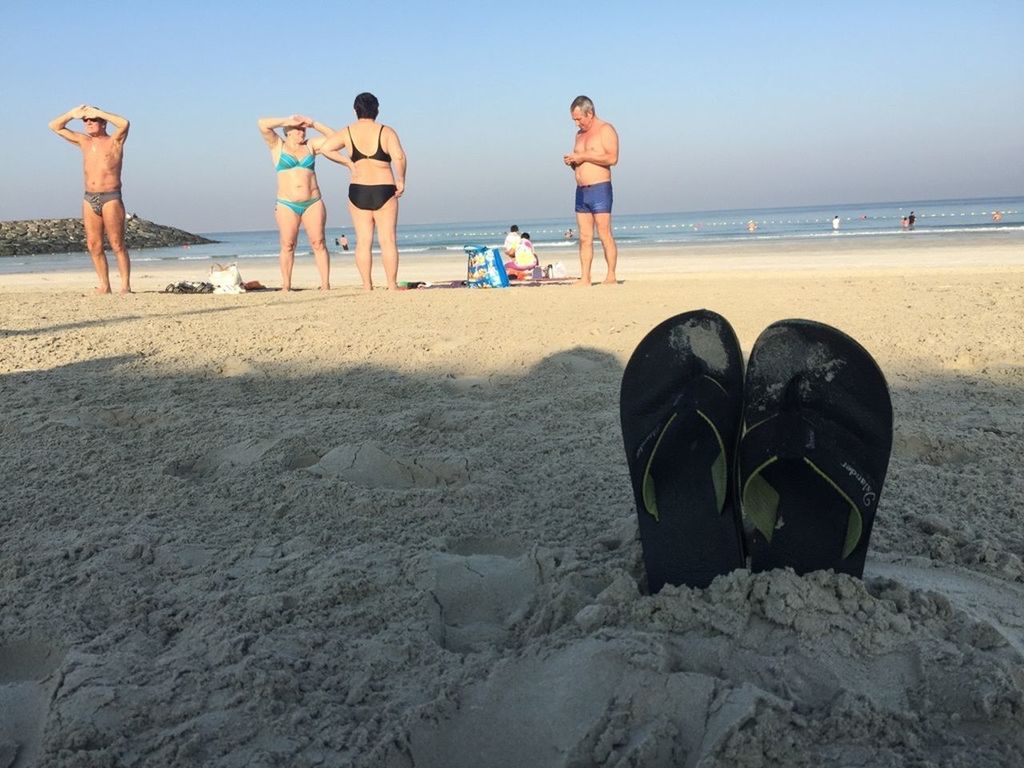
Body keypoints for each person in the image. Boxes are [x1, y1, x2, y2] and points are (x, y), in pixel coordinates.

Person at [321, 92, 407, 291]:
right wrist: (401, 179)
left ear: (355, 111)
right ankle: (391, 285)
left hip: (358, 189)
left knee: (363, 241)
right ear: (377, 110)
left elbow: (326, 148)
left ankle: (367, 285)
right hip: (384, 188)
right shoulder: (386, 132)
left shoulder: (348, 131)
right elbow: (399, 157)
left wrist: (348, 163)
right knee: (388, 240)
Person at [258, 114, 350, 291]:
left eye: (304, 129)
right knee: (288, 244)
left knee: (319, 243)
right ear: (289, 132)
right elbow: (262, 124)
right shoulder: (278, 146)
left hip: (313, 202)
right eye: (299, 129)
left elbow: (338, 140)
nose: (303, 131)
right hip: (287, 204)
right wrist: (286, 120)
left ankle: (325, 284)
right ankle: (286, 285)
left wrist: (314, 124)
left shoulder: (311, 145)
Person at [48, 104, 132, 294]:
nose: (88, 123)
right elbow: (54, 126)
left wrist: (99, 112)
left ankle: (125, 285)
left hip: (111, 197)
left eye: (92, 120)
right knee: (93, 245)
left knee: (117, 244)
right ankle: (104, 285)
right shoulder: (84, 141)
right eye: (85, 120)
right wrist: (72, 114)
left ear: (102, 122)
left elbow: (124, 123)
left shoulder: (115, 141)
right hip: (89, 198)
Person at [563, 95, 618, 286]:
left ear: (590, 113)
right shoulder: (579, 135)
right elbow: (582, 160)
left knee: (604, 233)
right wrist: (573, 162)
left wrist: (584, 156)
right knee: (585, 237)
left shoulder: (605, 129)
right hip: (581, 190)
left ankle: (611, 275)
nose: (577, 123)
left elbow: (612, 158)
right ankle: (585, 277)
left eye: (579, 119)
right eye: (574, 120)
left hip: (600, 189)